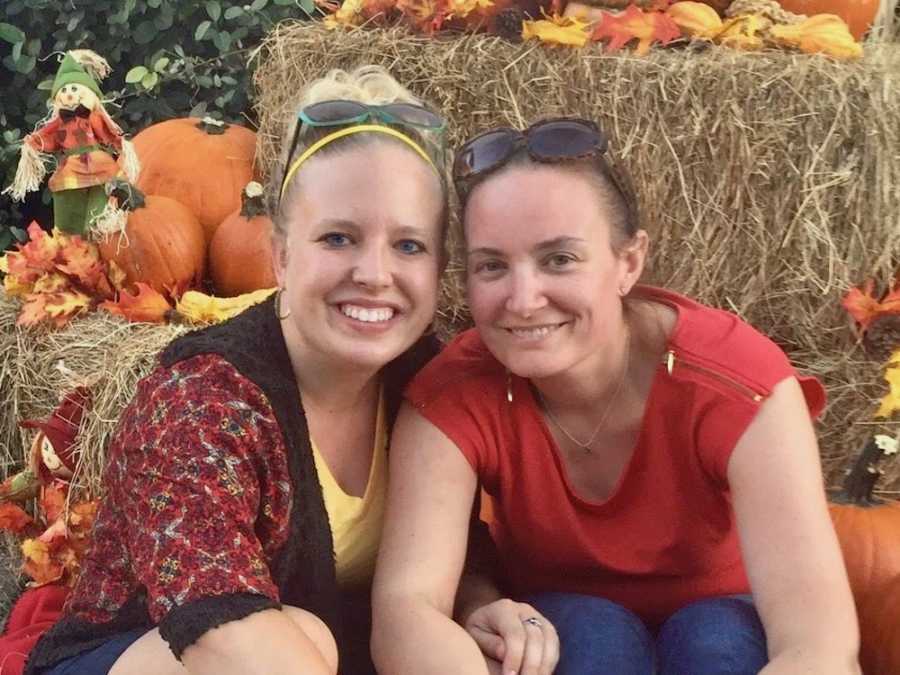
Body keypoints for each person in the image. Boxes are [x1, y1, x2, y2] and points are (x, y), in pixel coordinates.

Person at [372, 117, 861, 675]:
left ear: (628, 262)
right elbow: (407, 609)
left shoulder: (736, 382)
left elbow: (817, 644)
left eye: (559, 259)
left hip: (729, 624)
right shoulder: (453, 395)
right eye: (493, 266)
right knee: (590, 638)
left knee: (712, 642)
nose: (524, 299)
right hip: (565, 633)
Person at [24, 65, 449, 675]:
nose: (376, 274)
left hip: (309, 652)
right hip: (159, 651)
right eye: (337, 238)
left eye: (409, 245)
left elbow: (456, 557)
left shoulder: (425, 378)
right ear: (279, 253)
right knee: (303, 636)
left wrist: (486, 602)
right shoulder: (201, 395)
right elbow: (223, 632)